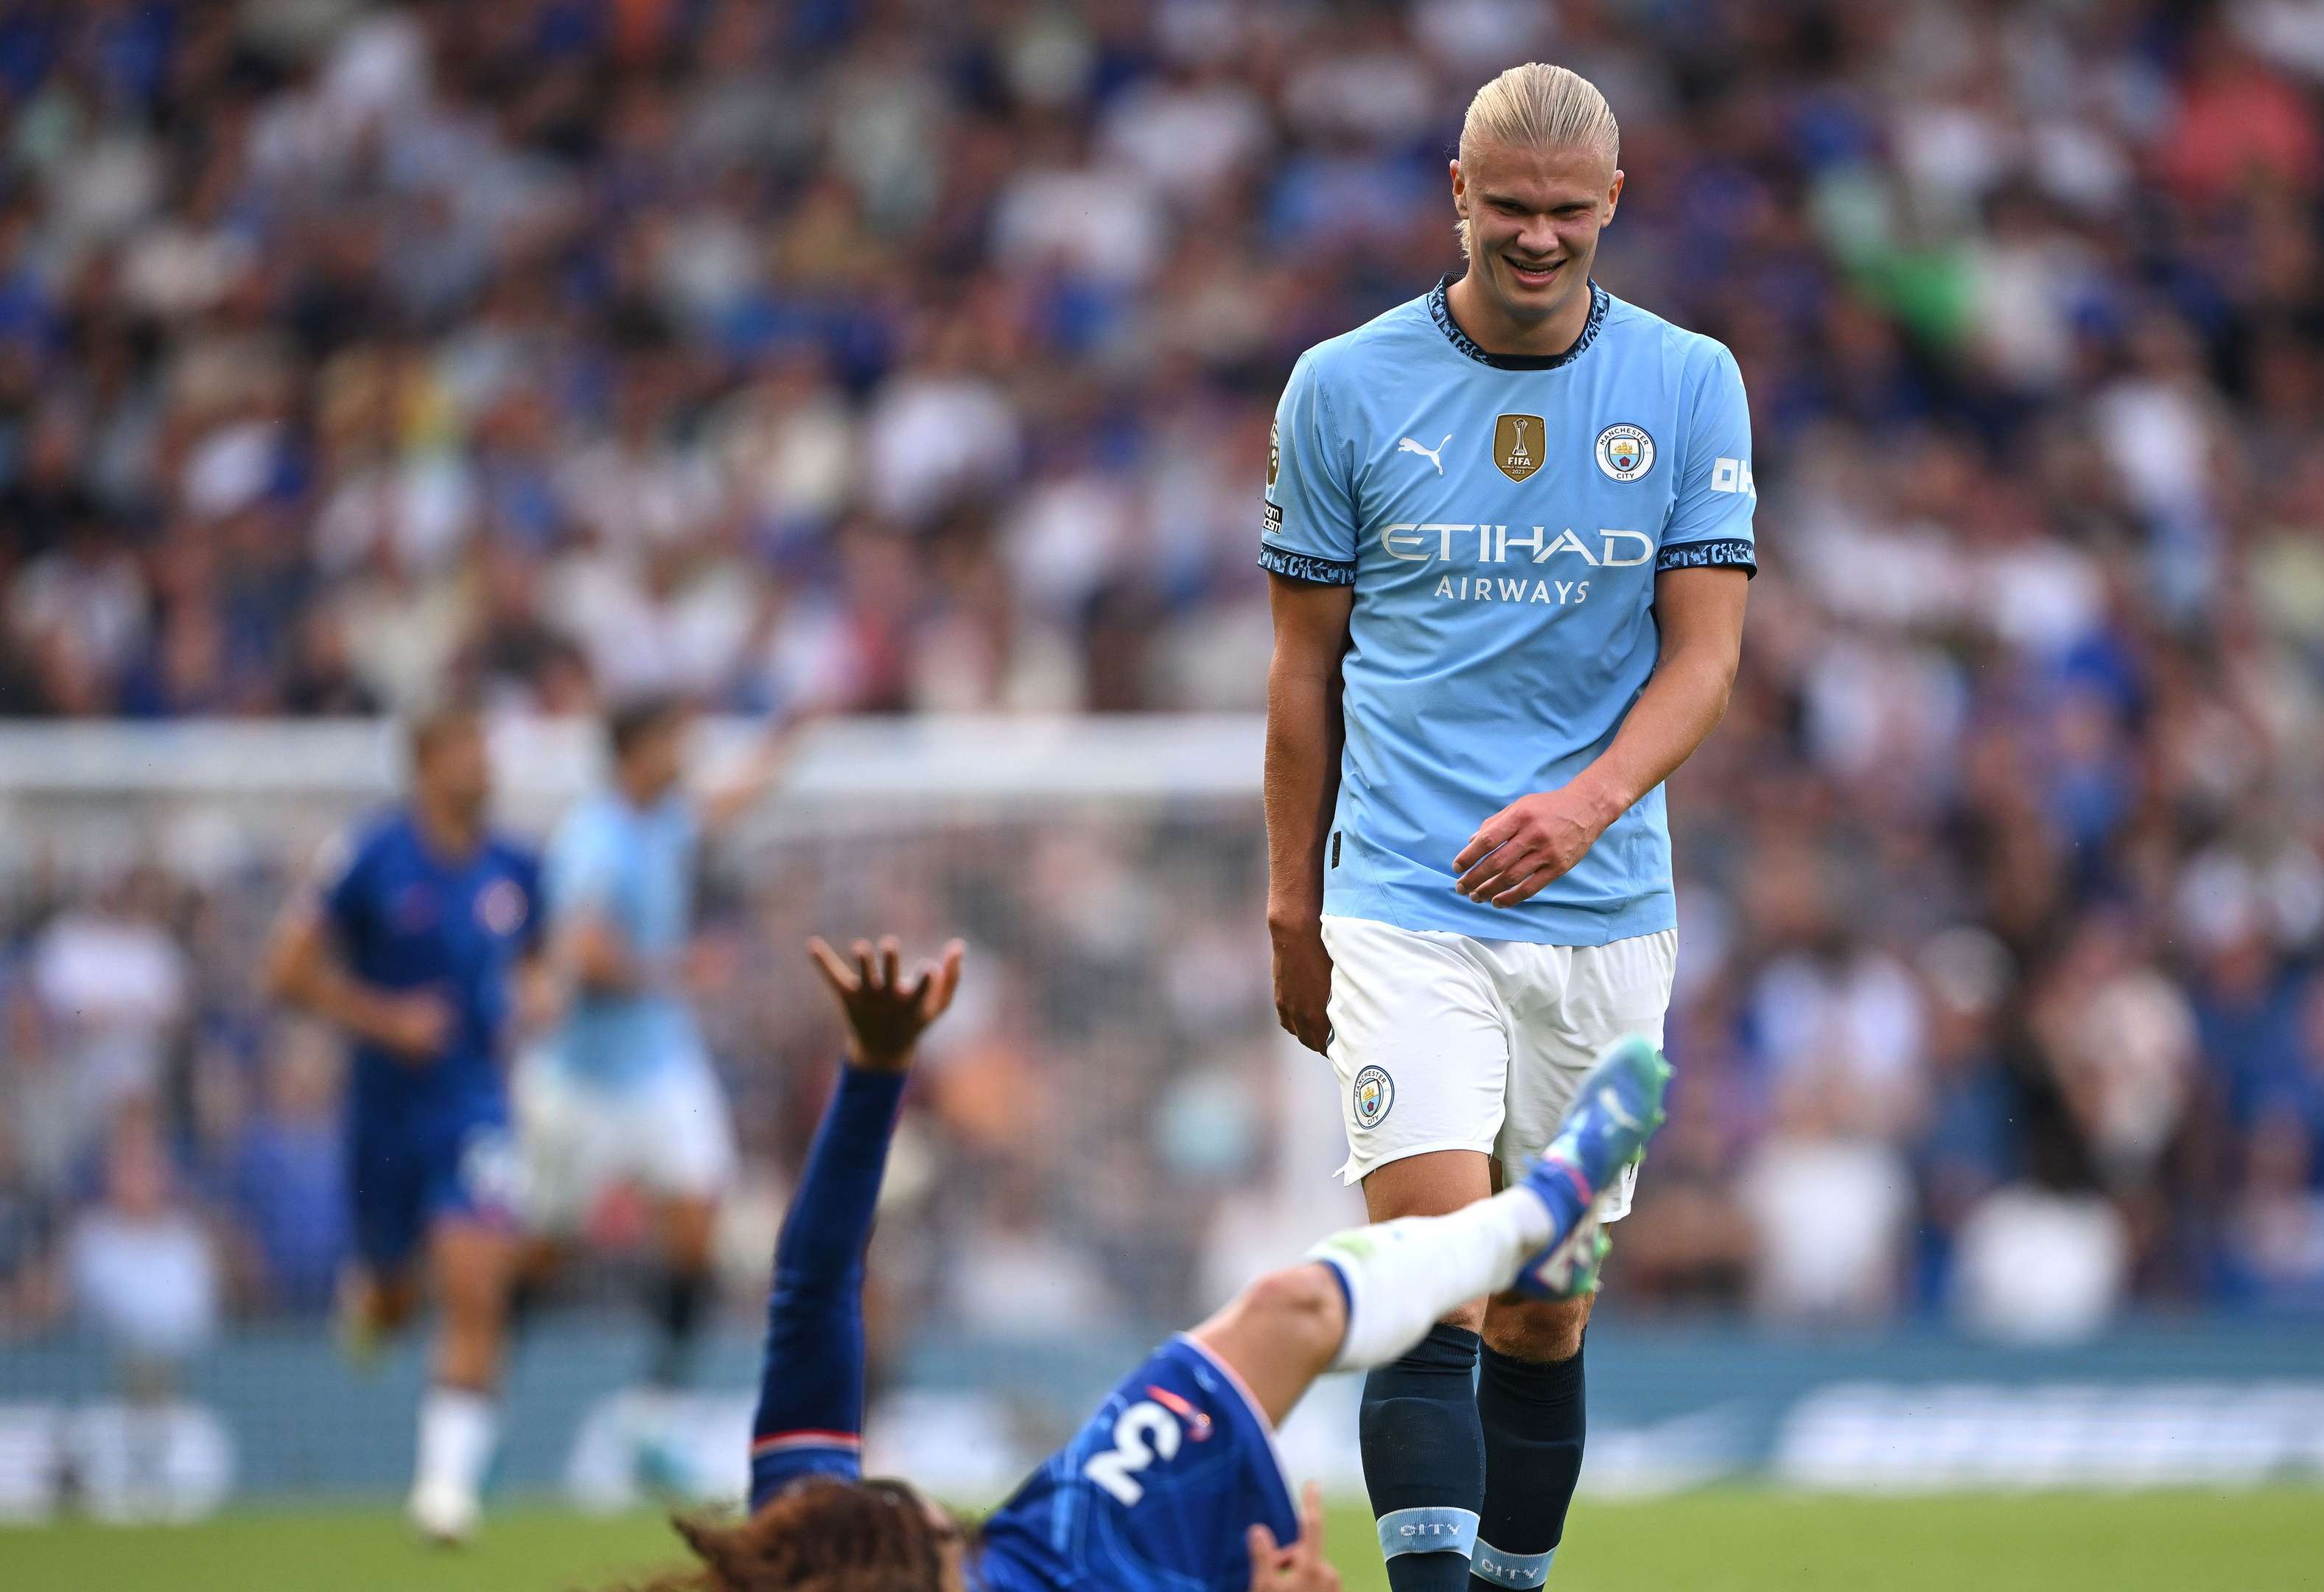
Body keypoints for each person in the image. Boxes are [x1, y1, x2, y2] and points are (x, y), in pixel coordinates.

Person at [1259, 60, 1751, 1591]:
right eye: (1509, 212)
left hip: (1604, 917)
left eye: (1567, 216)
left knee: (1545, 1304)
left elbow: (1707, 657)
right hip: (1405, 897)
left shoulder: (1687, 383)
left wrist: (1591, 804)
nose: (1536, 241)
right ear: (1455, 196)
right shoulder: (1342, 386)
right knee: (1432, 1281)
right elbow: (1300, 676)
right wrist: (1292, 905)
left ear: (1614, 204)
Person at [638, 932, 1671, 1592]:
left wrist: (872, 1076)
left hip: (1053, 1532)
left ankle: (1533, 1215)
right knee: (1290, 1312)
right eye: (922, 1540)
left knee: (1286, 1308)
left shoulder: (799, 1532)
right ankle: (1534, 1214)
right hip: (1084, 1567)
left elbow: (812, 1291)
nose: (908, 1500)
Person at [262, 702, 545, 1542]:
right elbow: (286, 971)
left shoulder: (517, 866)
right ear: (429, 762)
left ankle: (445, 1491)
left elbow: (538, 966)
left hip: (475, 1106)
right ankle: (371, 1299)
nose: (488, 764)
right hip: (383, 1113)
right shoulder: (370, 856)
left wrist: (538, 998)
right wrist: (387, 1020)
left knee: (475, 1279)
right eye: (472, 747)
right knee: (392, 1295)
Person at [519, 698, 802, 1414]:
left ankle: (658, 1406)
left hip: (662, 1066)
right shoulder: (594, 840)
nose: (685, 756)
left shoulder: (665, 823)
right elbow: (580, 952)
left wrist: (789, 735)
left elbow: (725, 803)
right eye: (673, 742)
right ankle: (485, 1391)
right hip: (581, 1079)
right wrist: (675, 970)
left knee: (699, 1222)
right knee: (546, 1251)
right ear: (635, 753)